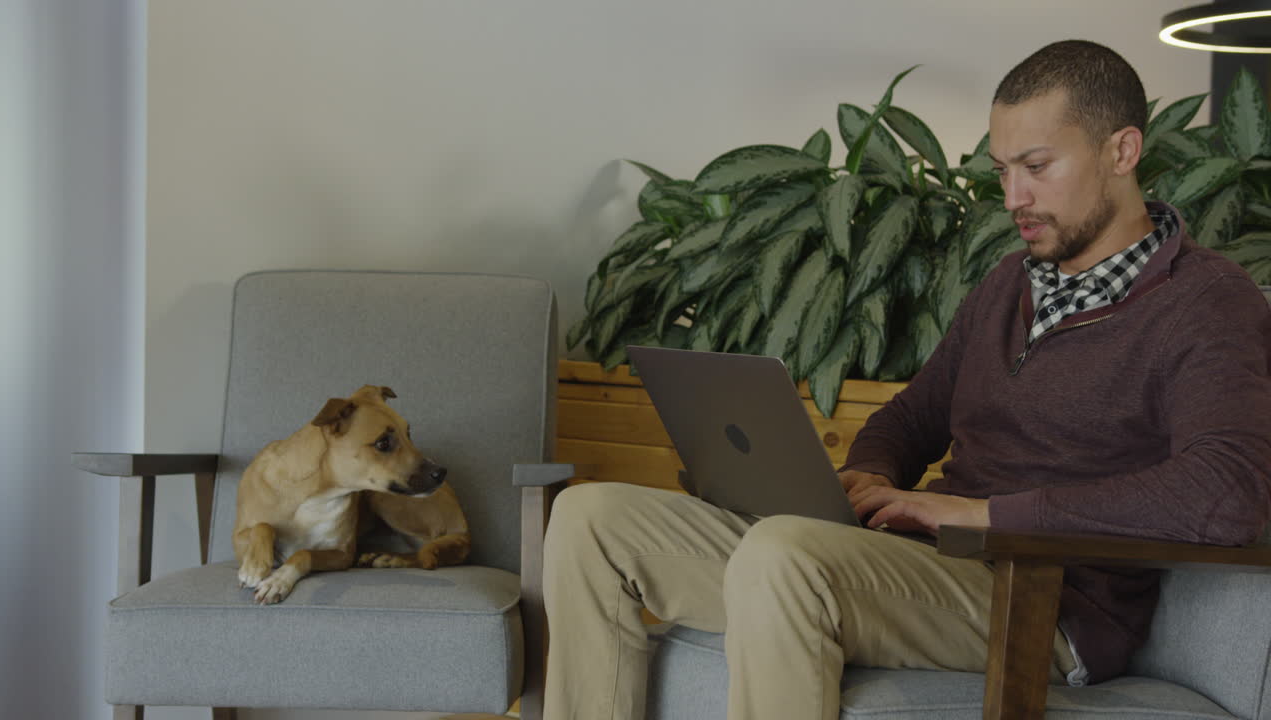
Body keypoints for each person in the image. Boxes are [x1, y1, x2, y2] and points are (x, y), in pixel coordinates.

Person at [541, 39, 1271, 720]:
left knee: (783, 555)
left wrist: (984, 515)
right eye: (1002, 170)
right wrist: (864, 474)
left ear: (1122, 150)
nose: (1012, 196)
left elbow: (1230, 489)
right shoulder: (1008, 283)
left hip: (1042, 602)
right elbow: (911, 416)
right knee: (591, 520)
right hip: (926, 570)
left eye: (1037, 167)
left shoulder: (1207, 302)